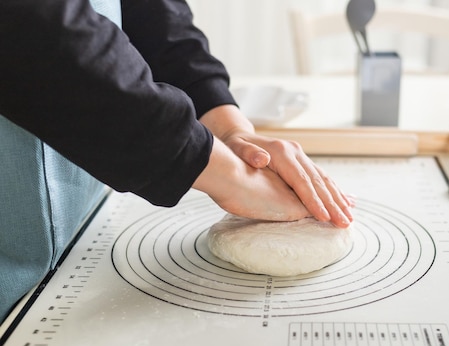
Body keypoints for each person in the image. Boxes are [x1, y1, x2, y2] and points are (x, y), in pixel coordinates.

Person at [0, 0, 353, 322]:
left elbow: (153, 13)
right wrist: (229, 175)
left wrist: (229, 128)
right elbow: (35, 27)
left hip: (78, 236)